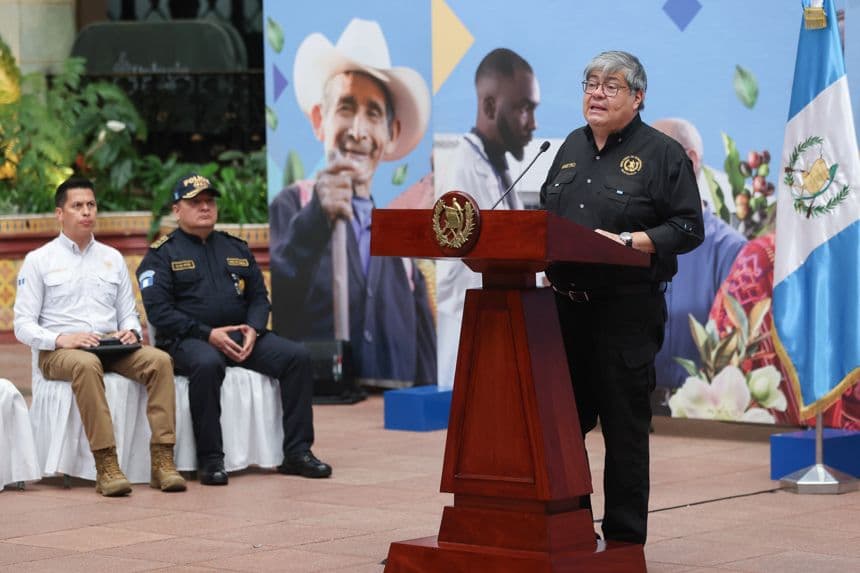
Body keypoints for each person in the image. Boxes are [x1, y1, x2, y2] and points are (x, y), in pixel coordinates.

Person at [539, 51, 703, 545]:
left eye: (611, 86)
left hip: (625, 313)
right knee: (563, 429)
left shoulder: (663, 154)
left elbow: (688, 227)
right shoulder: (569, 146)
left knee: (623, 430)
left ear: (637, 97)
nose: (596, 93)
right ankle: (572, 529)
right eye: (591, 83)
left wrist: (631, 241)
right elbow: (547, 215)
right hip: (564, 312)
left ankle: (625, 543)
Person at [269, 18, 436, 387]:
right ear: (320, 120)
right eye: (346, 108)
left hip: (391, 407)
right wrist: (315, 219)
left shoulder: (398, 238)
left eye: (373, 113)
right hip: (324, 405)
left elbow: (426, 357)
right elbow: (277, 298)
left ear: (391, 134)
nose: (358, 131)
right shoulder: (292, 205)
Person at [137, 174, 331, 485]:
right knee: (207, 364)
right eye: (195, 202)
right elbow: (160, 312)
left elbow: (259, 297)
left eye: (209, 201)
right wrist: (207, 333)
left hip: (242, 336)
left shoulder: (234, 247)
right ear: (177, 210)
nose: (205, 207)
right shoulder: (161, 255)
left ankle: (297, 452)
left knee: (297, 357)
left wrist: (254, 328)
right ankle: (211, 460)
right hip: (189, 339)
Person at [13, 176, 185, 497]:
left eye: (91, 205)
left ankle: (163, 461)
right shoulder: (39, 261)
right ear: (60, 214)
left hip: (111, 347)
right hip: (60, 353)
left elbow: (128, 313)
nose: (86, 211)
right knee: (85, 364)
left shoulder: (112, 257)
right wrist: (62, 339)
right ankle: (106, 465)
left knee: (160, 361)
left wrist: (130, 331)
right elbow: (22, 325)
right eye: (77, 206)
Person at [435, 48, 540, 390]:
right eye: (524, 108)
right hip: (475, 323)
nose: (533, 123)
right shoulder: (461, 170)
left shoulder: (497, 165)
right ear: (491, 107)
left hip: (501, 321)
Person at [651, 118, 747, 401]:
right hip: (630, 411)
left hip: (702, 417)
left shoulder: (731, 251)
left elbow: (739, 347)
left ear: (689, 161)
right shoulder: (628, 241)